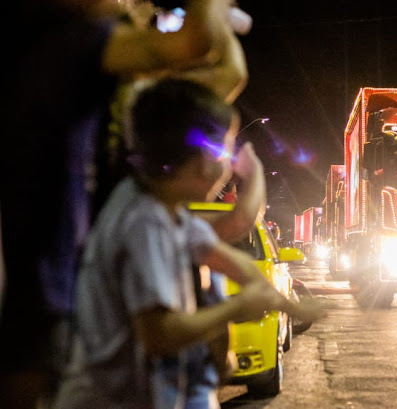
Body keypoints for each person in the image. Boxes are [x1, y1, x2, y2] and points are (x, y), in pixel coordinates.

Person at [1, 1, 252, 408]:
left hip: (60, 286)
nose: (141, 9)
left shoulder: (128, 98)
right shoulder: (64, 41)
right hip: (44, 287)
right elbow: (198, 48)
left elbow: (223, 72)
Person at [53, 78, 323, 409]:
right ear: (202, 162)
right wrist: (238, 307)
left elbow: (230, 249)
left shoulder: (169, 212)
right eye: (223, 150)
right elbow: (159, 334)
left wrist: (289, 306)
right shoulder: (145, 221)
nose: (227, 164)